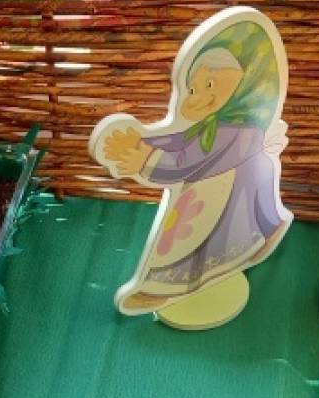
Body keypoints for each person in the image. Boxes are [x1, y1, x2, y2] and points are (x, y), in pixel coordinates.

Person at [95, 18, 291, 314]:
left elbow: (187, 160)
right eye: (193, 88)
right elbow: (180, 140)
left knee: (191, 226)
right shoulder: (215, 124)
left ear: (239, 87)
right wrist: (144, 142)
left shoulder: (238, 130)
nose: (197, 97)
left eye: (209, 86)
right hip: (221, 185)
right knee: (198, 219)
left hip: (228, 191)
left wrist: (145, 159)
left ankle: (163, 287)